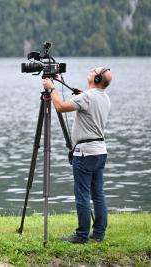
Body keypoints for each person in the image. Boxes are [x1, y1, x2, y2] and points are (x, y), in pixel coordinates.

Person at [43, 66, 112, 244]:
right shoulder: (103, 97)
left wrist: (51, 88)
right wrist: (81, 94)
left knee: (82, 195)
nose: (89, 71)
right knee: (98, 194)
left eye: (93, 71)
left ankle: (81, 235)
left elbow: (60, 106)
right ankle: (98, 234)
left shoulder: (87, 97)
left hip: (85, 155)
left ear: (97, 79)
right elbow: (88, 100)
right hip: (100, 152)